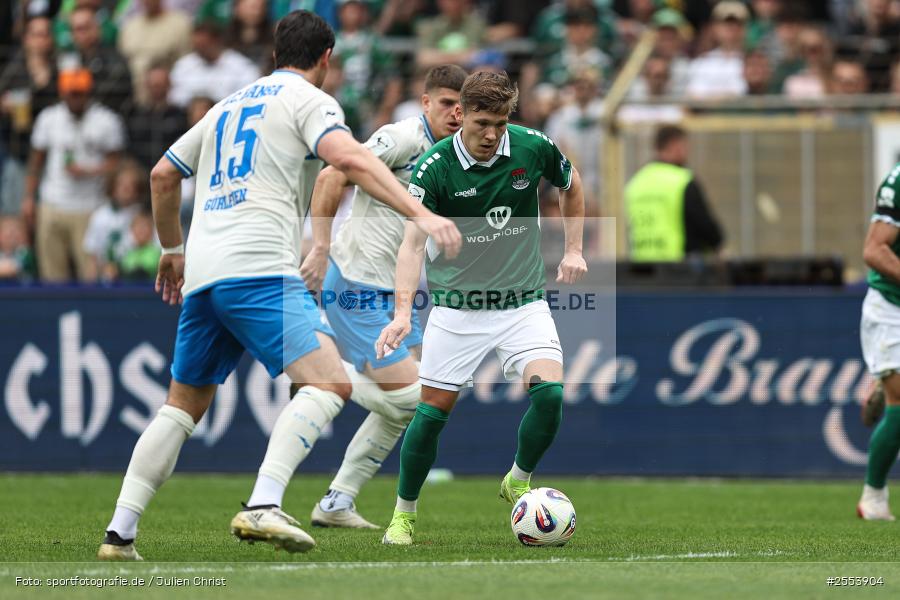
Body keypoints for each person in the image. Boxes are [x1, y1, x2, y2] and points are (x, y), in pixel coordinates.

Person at [96, 10, 460, 561]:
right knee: (329, 385)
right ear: (327, 58)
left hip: (204, 273)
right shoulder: (310, 100)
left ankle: (119, 535)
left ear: (273, 54)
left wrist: (173, 250)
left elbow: (162, 175)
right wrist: (420, 212)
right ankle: (264, 502)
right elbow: (346, 159)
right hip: (260, 267)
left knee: (181, 408)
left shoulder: (227, 104)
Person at [375, 71, 588, 545]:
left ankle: (517, 479)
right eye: (482, 123)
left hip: (523, 303)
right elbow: (411, 246)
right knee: (430, 416)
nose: (492, 134)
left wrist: (573, 248)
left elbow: (570, 185)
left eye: (501, 122)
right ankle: (404, 514)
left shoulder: (533, 147)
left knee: (550, 395)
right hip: (457, 310)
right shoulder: (434, 167)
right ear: (461, 115)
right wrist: (404, 314)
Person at [296, 64, 467, 529]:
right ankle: (328, 375)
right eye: (447, 103)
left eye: (463, 105)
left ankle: (336, 502)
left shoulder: (457, 155)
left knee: (401, 412)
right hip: (355, 282)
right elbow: (333, 176)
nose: (456, 113)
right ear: (426, 102)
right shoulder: (401, 137)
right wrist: (321, 245)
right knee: (418, 399)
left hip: (397, 295)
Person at [23, 67, 125, 282]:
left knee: (89, 275)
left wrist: (90, 171)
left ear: (88, 92)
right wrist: (29, 198)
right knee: (52, 275)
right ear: (62, 93)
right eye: (71, 93)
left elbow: (117, 164)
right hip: (52, 202)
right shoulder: (49, 118)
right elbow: (36, 161)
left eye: (80, 93)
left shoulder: (106, 120)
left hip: (89, 206)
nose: (75, 98)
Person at [857, 161, 900, 521]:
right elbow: (874, 250)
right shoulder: (898, 181)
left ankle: (882, 387)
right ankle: (873, 497)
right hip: (892, 307)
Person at [624, 125, 724, 262]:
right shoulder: (683, 180)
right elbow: (708, 229)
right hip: (678, 271)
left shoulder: (635, 183)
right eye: (685, 147)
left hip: (642, 270)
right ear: (675, 145)